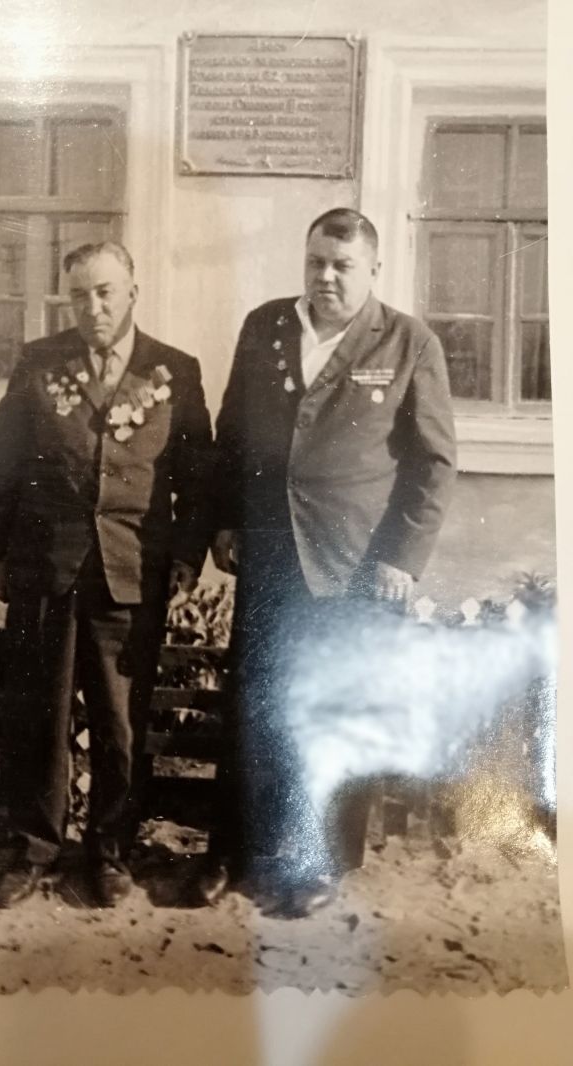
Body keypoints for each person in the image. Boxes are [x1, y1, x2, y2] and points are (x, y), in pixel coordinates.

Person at [199, 208, 457, 912]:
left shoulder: (408, 342)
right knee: (253, 703)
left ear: (373, 270)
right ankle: (233, 852)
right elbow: (232, 431)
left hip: (354, 564)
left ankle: (319, 864)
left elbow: (434, 463)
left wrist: (402, 557)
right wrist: (226, 518)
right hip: (270, 554)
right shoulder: (265, 327)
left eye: (343, 266)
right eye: (316, 262)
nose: (326, 277)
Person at [0, 241, 212, 908]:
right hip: (45, 566)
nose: (93, 307)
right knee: (40, 715)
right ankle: (35, 849)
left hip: (131, 570)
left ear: (132, 292)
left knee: (121, 723)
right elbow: (3, 463)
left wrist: (186, 556)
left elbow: (198, 478)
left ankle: (110, 853)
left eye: (105, 292)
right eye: (79, 295)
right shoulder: (38, 362)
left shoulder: (176, 370)